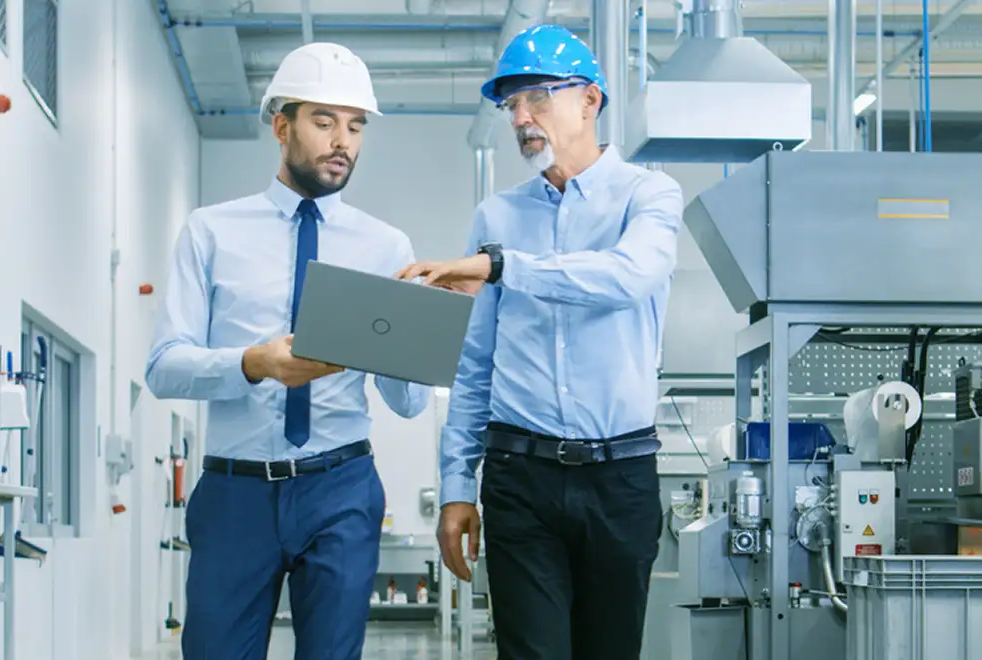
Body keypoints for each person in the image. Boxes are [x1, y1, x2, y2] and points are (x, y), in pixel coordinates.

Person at [394, 24, 683, 660]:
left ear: (590, 100)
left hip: (621, 477)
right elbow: (475, 367)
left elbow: (628, 277)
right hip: (518, 476)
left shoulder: (649, 196)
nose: (521, 117)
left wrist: (502, 267)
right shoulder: (497, 216)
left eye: (538, 97)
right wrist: (455, 487)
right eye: (511, 104)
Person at [146, 42, 427, 660]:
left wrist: (416, 333)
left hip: (341, 486)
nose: (342, 142)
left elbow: (408, 404)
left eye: (355, 127)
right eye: (324, 122)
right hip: (235, 492)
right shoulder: (212, 231)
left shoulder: (385, 245)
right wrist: (255, 363)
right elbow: (163, 365)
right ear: (281, 125)